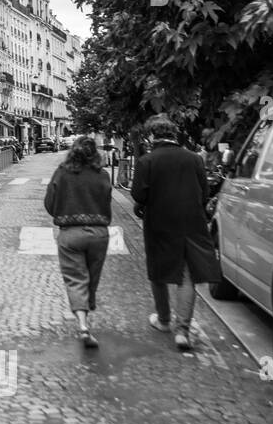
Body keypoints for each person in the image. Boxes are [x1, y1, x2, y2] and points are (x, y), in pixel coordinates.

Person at [132, 114, 220, 351]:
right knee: (187, 275)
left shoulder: (147, 161)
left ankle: (163, 320)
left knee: (159, 271)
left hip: (159, 222)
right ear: (174, 135)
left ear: (152, 136)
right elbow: (204, 194)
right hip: (192, 222)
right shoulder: (194, 160)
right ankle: (182, 331)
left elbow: (139, 195)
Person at [44, 137, 113, 348]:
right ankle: (88, 305)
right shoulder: (102, 175)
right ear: (95, 154)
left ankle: (83, 324)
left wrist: (62, 211)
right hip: (99, 232)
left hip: (71, 233)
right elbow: (107, 199)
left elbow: (49, 202)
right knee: (92, 277)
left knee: (75, 279)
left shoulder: (62, 172)